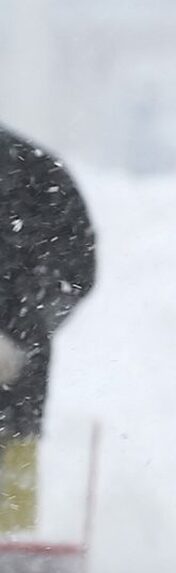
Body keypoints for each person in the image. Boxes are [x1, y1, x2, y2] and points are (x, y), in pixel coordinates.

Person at [0, 126, 95, 534]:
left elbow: (77, 270)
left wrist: (21, 332)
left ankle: (12, 570)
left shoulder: (34, 173)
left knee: (9, 514)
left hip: (12, 396)